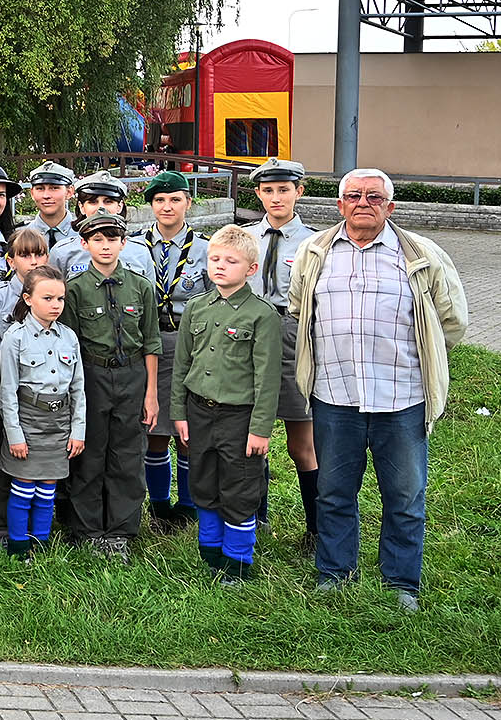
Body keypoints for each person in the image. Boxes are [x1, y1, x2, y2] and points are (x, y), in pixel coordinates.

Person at [289, 169, 467, 608]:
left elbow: (453, 322)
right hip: (334, 397)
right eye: (353, 195)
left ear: (391, 206)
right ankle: (335, 573)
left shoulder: (422, 253)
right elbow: (298, 308)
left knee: (405, 497)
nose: (362, 202)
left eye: (373, 196)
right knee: (333, 493)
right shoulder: (314, 251)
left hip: (402, 398)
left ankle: (402, 583)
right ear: (339, 205)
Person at [170, 225, 282, 583]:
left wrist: (260, 429)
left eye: (230, 261)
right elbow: (182, 366)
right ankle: (210, 550)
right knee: (202, 480)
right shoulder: (197, 308)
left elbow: (267, 379)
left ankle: (237, 560)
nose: (219, 266)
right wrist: (179, 414)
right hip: (199, 411)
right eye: (214, 259)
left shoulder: (262, 315)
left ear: (250, 269)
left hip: (240, 415)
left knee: (239, 485)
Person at [62, 212, 161, 558]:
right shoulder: (74, 290)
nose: (105, 247)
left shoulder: (141, 286)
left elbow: (151, 342)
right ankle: (87, 529)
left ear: (123, 242)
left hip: (132, 376)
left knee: (128, 454)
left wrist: (151, 394)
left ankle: (122, 530)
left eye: (112, 239)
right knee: (89, 453)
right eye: (97, 240)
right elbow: (69, 346)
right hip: (92, 375)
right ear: (84, 244)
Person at [245, 157, 320, 553]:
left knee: (301, 443)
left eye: (284, 189)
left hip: (293, 337)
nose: (276, 197)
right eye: (268, 190)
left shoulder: (314, 242)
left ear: (299, 191)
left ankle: (316, 527)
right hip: (249, 339)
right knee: (251, 437)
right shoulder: (243, 238)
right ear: (258, 192)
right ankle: (255, 517)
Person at [0, 265, 84, 559]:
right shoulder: (15, 338)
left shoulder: (69, 337)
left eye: (60, 299)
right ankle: (19, 547)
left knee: (49, 486)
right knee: (23, 486)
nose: (55, 305)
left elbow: (78, 389)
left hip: (59, 421)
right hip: (28, 419)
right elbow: (7, 392)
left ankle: (41, 543)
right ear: (28, 298)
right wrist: (15, 435)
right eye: (47, 298)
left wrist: (78, 430)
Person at [0, 228, 50, 545]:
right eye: (24, 254)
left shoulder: (55, 294)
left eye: (38, 254)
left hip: (42, 385)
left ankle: (35, 522)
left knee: (36, 452)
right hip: (2, 382)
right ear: (10, 259)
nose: (32, 261)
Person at [141, 170, 208, 525]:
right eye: (160, 200)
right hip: (149, 345)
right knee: (155, 429)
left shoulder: (206, 248)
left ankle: (189, 502)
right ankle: (159, 504)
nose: (167, 207)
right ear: (151, 205)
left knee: (188, 428)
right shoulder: (135, 247)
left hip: (192, 343)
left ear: (188, 203)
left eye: (175, 199)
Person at [49, 173, 156, 282]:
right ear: (81, 207)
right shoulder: (63, 253)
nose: (101, 209)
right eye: (92, 202)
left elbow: (149, 295)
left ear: (120, 206)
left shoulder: (139, 251)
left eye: (108, 201)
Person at [20, 161, 81, 252]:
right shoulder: (20, 236)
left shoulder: (83, 234)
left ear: (69, 192)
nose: (46, 195)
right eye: (40, 189)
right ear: (32, 193)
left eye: (54, 188)